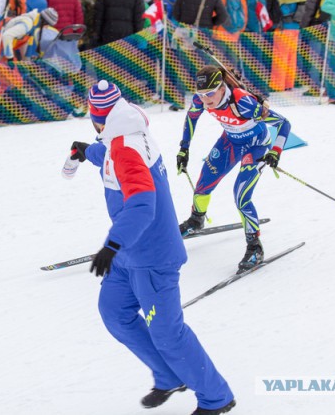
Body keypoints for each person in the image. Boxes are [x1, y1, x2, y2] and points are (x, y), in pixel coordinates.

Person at [69, 79, 236, 415]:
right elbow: (113, 157)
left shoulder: (125, 147)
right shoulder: (124, 133)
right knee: (115, 313)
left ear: (97, 118)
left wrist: (112, 245)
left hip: (151, 255)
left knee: (168, 333)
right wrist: (88, 151)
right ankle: (169, 375)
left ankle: (217, 398)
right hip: (129, 253)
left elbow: (143, 202)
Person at [176, 65, 291, 271]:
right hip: (230, 141)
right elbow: (191, 118)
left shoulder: (243, 102)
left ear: (222, 88)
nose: (206, 100)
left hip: (255, 145)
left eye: (210, 94)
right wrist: (184, 149)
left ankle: (254, 246)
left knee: (241, 195)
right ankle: (196, 220)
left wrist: (275, 151)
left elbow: (284, 124)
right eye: (201, 95)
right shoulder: (201, 99)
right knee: (203, 185)